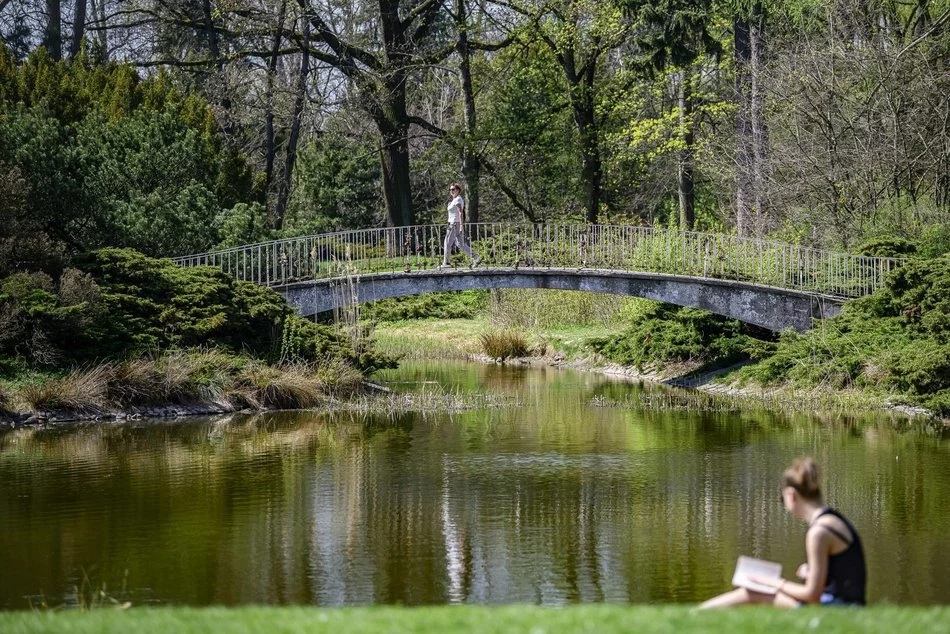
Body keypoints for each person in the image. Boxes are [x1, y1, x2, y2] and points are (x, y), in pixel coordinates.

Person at [700, 457, 866, 608]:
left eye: (782, 499)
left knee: (752, 593)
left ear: (791, 495)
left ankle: (694, 614)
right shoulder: (833, 520)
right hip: (848, 604)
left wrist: (775, 583)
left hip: (838, 607)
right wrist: (812, 573)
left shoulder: (818, 532)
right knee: (755, 592)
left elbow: (812, 596)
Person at [440, 182, 480, 268]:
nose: (451, 191)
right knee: (460, 244)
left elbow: (460, 212)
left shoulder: (458, 199)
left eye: (453, 189)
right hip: (453, 224)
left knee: (447, 242)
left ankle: (446, 263)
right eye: (450, 189)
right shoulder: (454, 200)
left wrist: (462, 226)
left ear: (458, 190)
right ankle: (476, 257)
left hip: (454, 224)